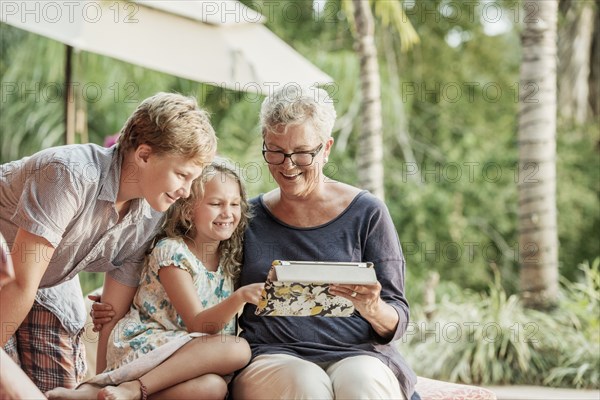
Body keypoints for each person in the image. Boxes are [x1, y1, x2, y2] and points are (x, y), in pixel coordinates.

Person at [0, 92, 217, 392]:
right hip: (12, 272)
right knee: (10, 386)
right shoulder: (69, 175)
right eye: (182, 175)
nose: (186, 191)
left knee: (62, 391)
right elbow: (20, 284)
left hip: (43, 279)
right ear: (143, 155)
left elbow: (112, 314)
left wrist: (99, 389)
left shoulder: (151, 214)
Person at [231, 85, 417, 399]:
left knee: (361, 382)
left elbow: (396, 319)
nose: (287, 165)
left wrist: (372, 308)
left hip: (360, 355)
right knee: (304, 382)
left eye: (302, 152)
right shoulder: (245, 216)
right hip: (272, 355)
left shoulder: (367, 212)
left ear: (326, 148)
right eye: (275, 150)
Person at [46, 159, 265, 400]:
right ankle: (133, 387)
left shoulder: (229, 257)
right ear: (188, 209)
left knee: (213, 388)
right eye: (216, 203)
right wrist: (240, 297)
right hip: (150, 347)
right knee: (237, 349)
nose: (227, 212)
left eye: (235, 204)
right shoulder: (172, 253)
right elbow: (199, 326)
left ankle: (100, 395)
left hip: (186, 361)